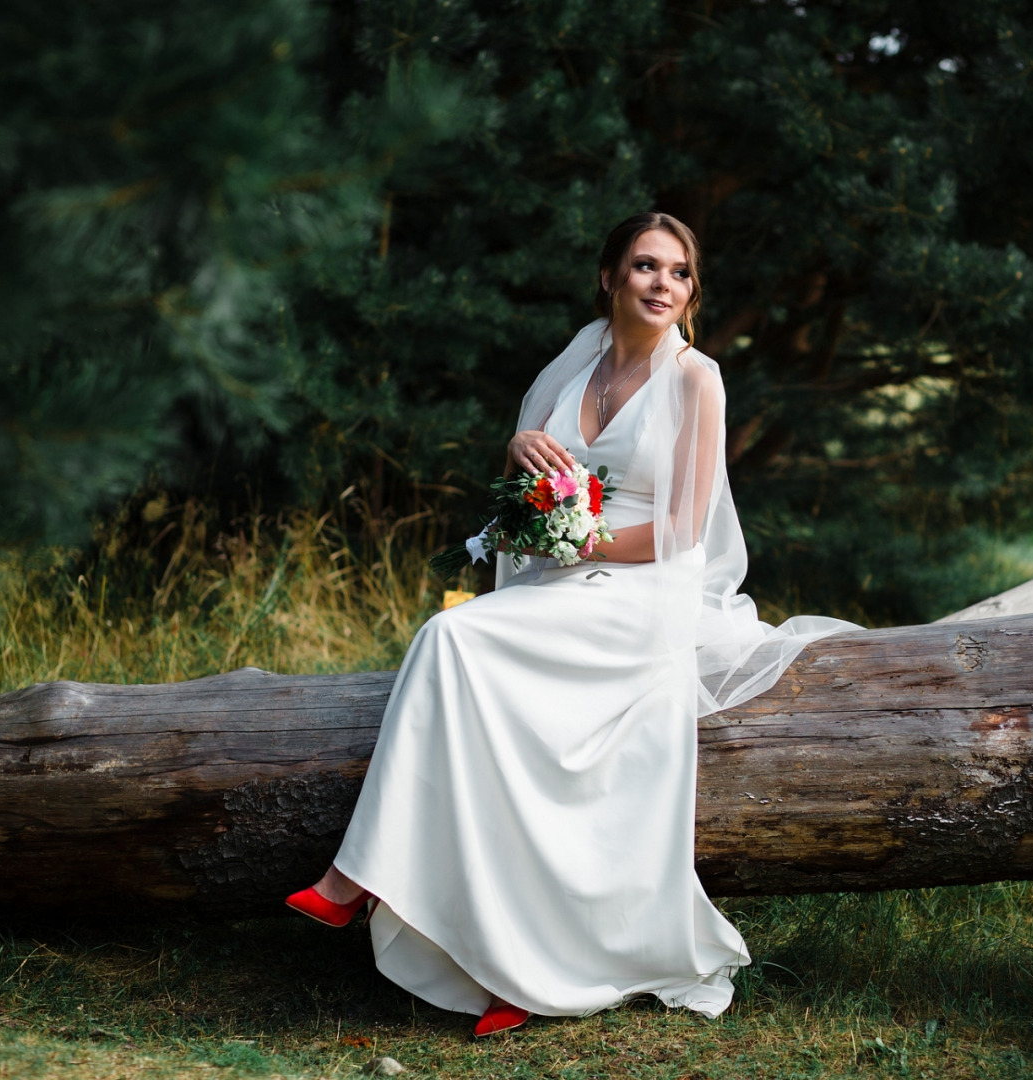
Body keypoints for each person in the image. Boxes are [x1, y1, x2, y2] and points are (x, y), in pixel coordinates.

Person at [284, 212, 857, 1036]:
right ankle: (505, 963)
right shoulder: (574, 365)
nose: (663, 284)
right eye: (645, 267)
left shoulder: (697, 380)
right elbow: (540, 486)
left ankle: (351, 880)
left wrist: (580, 536)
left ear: (690, 291)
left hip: (645, 591)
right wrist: (521, 452)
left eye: (680, 273)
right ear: (609, 278)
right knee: (473, 679)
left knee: (452, 637)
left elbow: (684, 528)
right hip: (564, 582)